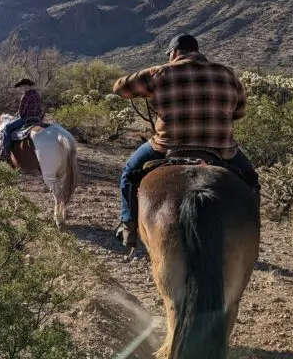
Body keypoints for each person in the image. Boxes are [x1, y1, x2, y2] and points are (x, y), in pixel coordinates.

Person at [111, 34, 260, 248]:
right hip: (221, 148)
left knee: (129, 173)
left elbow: (119, 88)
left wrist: (150, 82)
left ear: (174, 53)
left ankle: (129, 226)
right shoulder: (226, 74)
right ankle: (251, 235)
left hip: (167, 145)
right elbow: (240, 111)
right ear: (196, 50)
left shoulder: (159, 72)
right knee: (251, 179)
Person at [0, 79, 44, 157]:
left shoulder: (25, 96)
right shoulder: (37, 95)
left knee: (7, 128)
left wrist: (16, 116)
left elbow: (21, 112)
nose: (23, 88)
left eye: (24, 86)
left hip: (26, 119)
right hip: (37, 119)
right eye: (22, 87)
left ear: (29, 86)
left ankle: (5, 152)